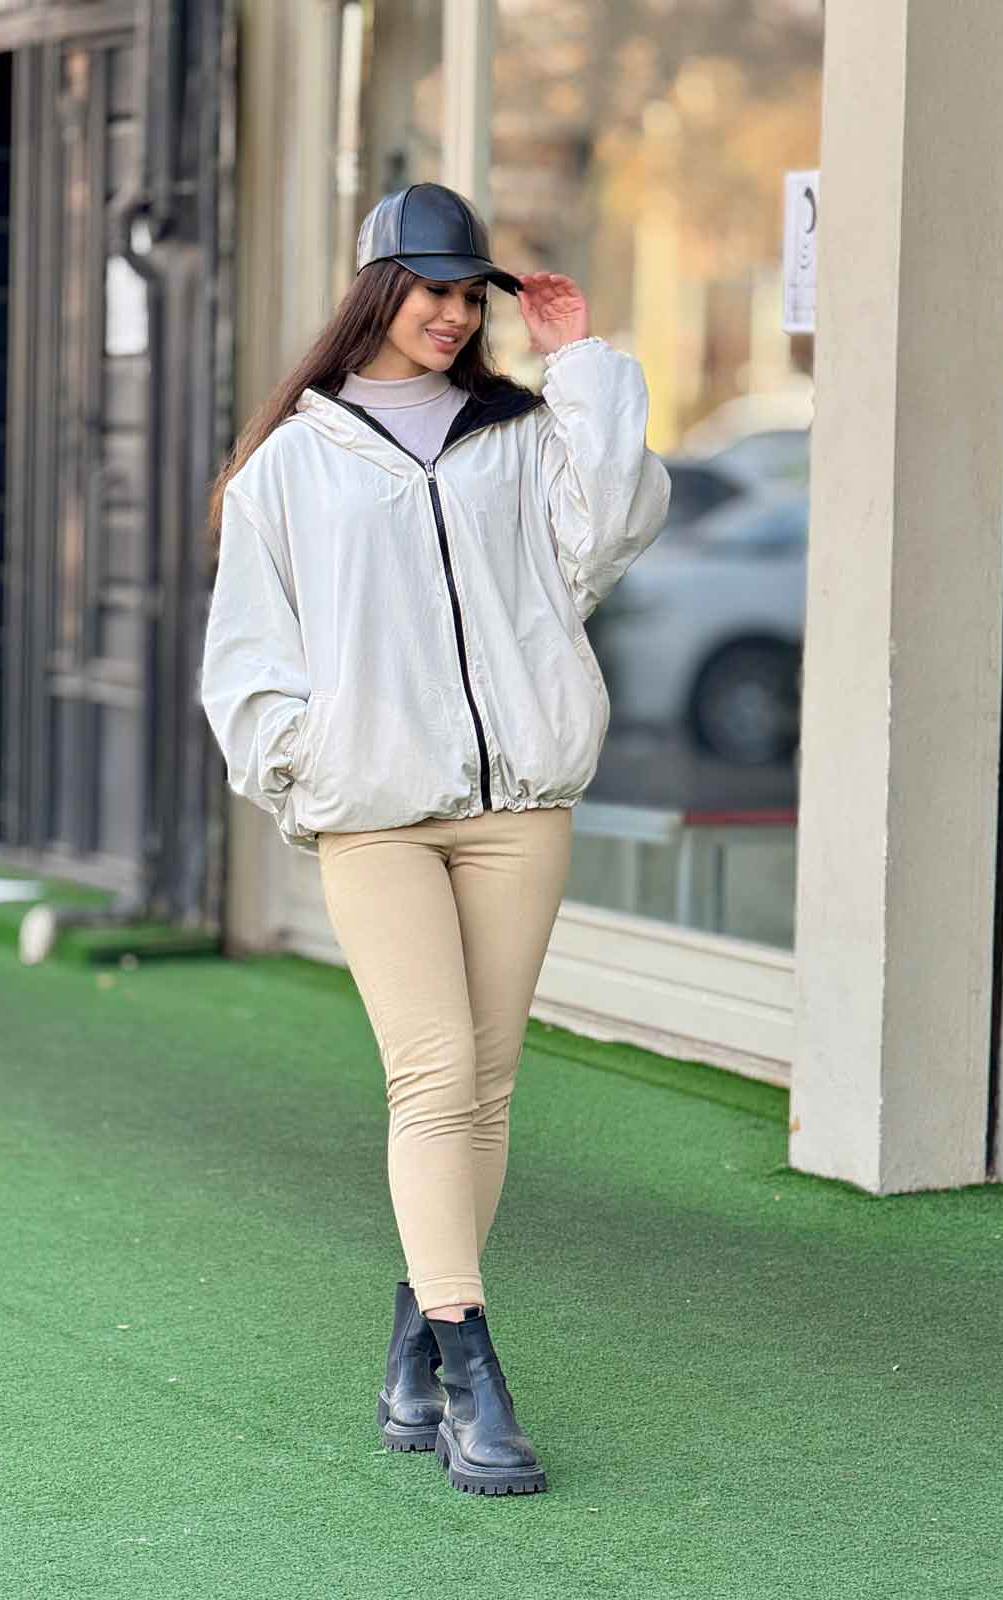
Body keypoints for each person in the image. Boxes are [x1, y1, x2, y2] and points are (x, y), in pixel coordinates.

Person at [200, 182, 671, 1497]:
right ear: (377, 292)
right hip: (376, 819)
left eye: (471, 295)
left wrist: (577, 363)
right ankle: (472, 1373)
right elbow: (249, 659)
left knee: (487, 1086)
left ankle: (415, 1347)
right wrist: (316, 769)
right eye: (432, 290)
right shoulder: (291, 465)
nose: (455, 314)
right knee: (433, 1073)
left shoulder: (519, 439)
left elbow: (613, 527)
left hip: (518, 807)